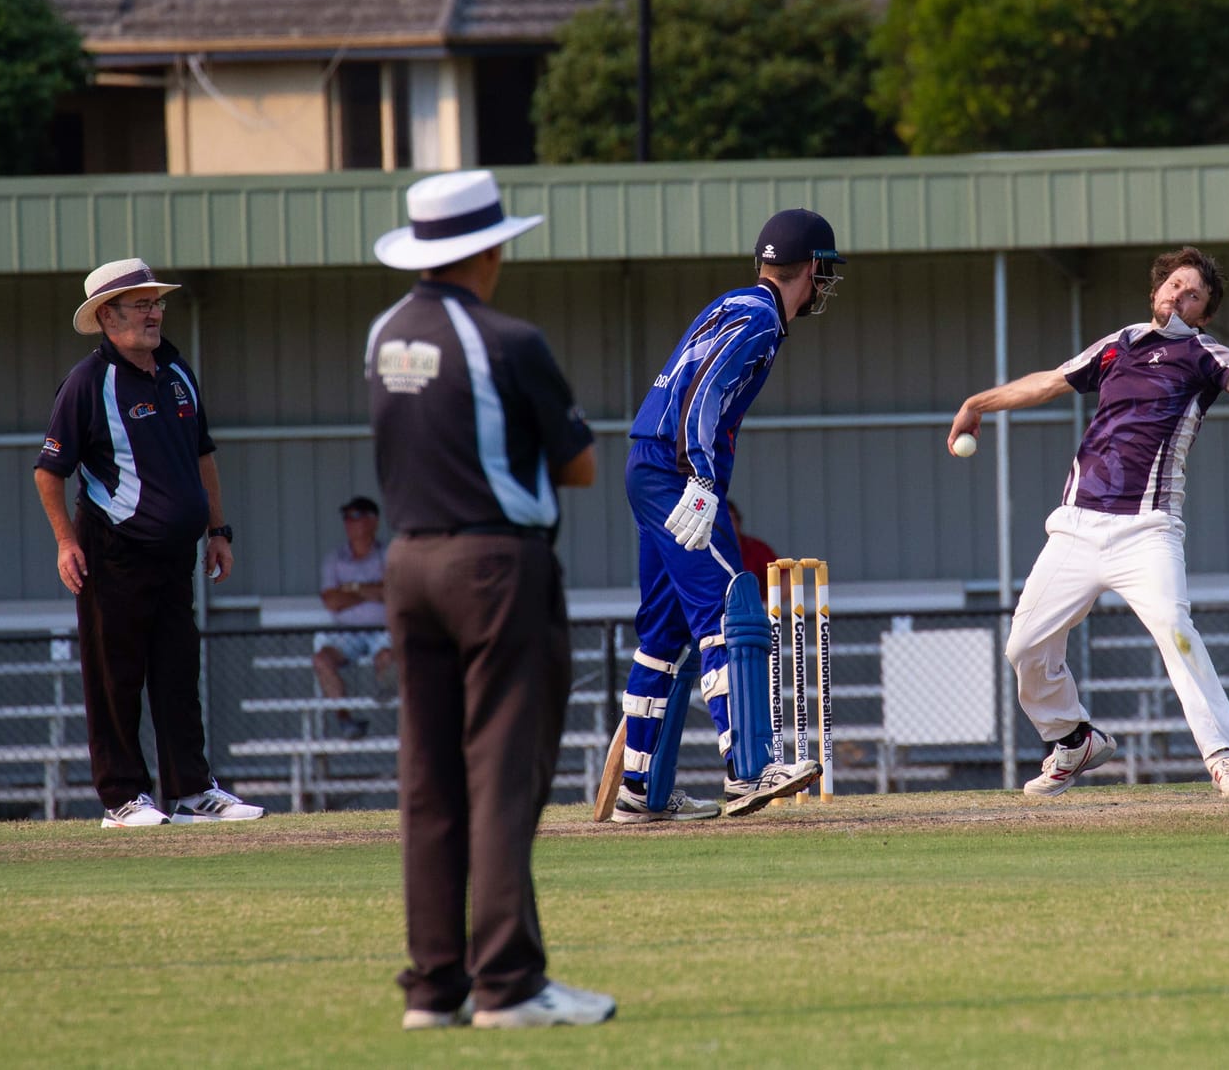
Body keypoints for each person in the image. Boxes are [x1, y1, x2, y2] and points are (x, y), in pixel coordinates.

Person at [948, 246, 1229, 800]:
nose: (1180, 296)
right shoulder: (1119, 344)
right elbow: (1047, 381)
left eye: (1194, 295)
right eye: (1175, 286)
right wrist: (979, 402)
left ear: (1204, 314)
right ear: (1157, 291)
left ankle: (1223, 757)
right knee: (1024, 646)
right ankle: (1073, 739)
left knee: (1175, 631)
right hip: (1077, 526)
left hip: (1148, 529)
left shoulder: (1207, 354)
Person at [367, 169, 614, 1031]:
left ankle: (435, 986)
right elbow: (580, 464)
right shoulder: (509, 339)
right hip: (497, 567)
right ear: (489, 247)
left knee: (429, 782)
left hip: (408, 562)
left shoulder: (384, 333)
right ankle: (508, 982)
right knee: (503, 776)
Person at [618, 210, 841, 823]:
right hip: (674, 468)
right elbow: (705, 395)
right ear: (814, 270)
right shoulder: (763, 320)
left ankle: (638, 793)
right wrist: (703, 480)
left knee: (662, 636)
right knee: (727, 609)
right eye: (826, 274)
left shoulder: (732, 301)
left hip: (646, 463)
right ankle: (749, 770)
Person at [32, 258, 265, 829]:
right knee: (116, 677)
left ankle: (191, 791)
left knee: (178, 674)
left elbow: (202, 454)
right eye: (141, 303)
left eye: (157, 301)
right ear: (106, 317)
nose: (155, 311)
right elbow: (48, 470)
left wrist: (218, 530)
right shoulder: (89, 382)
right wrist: (65, 543)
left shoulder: (177, 370)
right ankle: (122, 800)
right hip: (111, 551)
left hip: (174, 556)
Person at [314, 495, 394, 740]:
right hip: (345, 632)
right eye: (346, 517)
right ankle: (346, 720)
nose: (349, 522)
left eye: (356, 516)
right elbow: (332, 601)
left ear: (373, 521)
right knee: (321, 659)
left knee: (388, 656)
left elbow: (394, 592)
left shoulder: (389, 555)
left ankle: (388, 701)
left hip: (382, 631)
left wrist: (350, 588)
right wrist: (369, 590)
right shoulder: (334, 559)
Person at [728, 500, 777, 584]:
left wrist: (768, 597)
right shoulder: (703, 549)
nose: (726, 525)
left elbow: (785, 578)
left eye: (730, 520)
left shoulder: (755, 548)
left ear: (739, 521)